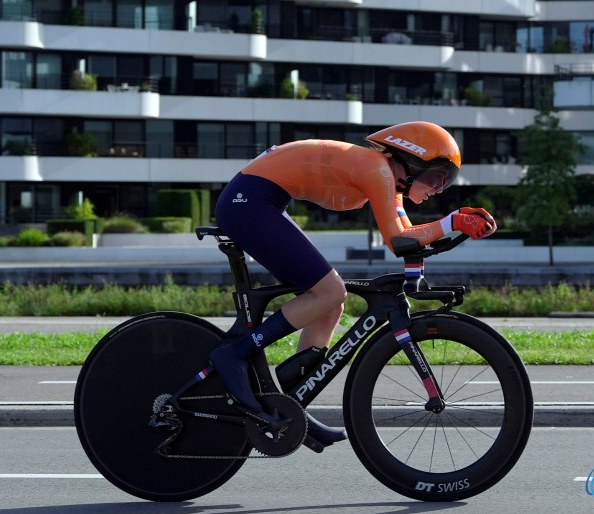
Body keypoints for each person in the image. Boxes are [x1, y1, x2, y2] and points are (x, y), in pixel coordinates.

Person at [209, 121, 497, 449]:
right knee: (330, 291)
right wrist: (454, 221)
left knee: (331, 304)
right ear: (412, 162)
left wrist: (448, 230)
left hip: (262, 201)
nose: (440, 188)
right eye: (437, 177)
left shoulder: (390, 180)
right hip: (249, 202)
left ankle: (291, 406)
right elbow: (398, 239)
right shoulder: (377, 169)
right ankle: (235, 354)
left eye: (447, 181)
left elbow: (406, 235)